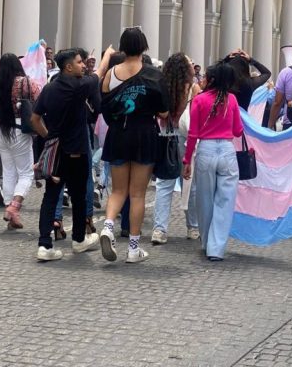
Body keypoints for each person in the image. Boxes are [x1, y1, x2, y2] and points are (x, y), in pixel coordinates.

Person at [31, 47, 113, 261]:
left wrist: (50, 137)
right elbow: (100, 72)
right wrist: (107, 54)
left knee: (50, 197)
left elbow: (34, 119)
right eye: (79, 62)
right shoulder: (79, 85)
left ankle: (44, 244)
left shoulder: (49, 88)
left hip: (56, 152)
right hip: (77, 151)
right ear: (68, 67)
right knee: (78, 196)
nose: (83, 65)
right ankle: (78, 240)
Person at [99, 28, 169, 264]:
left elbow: (105, 106)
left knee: (118, 191)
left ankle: (108, 226)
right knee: (137, 193)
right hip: (144, 133)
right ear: (144, 47)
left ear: (122, 47)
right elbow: (164, 111)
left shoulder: (110, 74)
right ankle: (133, 248)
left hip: (118, 133)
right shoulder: (154, 75)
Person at [182, 61, 243, 261]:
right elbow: (238, 131)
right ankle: (216, 248)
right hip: (227, 150)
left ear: (212, 79)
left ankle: (206, 241)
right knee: (225, 201)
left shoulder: (199, 100)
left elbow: (193, 133)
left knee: (204, 199)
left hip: (206, 150)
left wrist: (187, 160)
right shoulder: (232, 99)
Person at [151, 53, 201, 245]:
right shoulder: (192, 89)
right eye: (190, 63)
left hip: (165, 136)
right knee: (189, 185)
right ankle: (193, 227)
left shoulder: (162, 86)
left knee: (164, 185)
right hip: (185, 138)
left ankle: (159, 229)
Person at [0, 54, 42, 230]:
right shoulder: (26, 83)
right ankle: (14, 207)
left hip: (2, 131)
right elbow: (39, 99)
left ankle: (10, 210)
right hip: (20, 130)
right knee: (26, 173)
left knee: (9, 172)